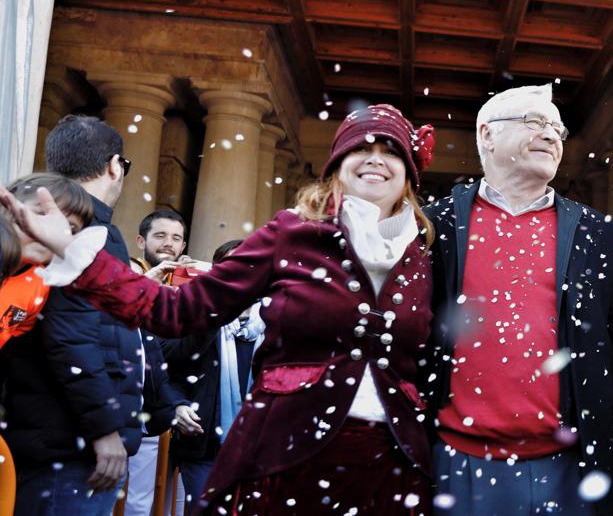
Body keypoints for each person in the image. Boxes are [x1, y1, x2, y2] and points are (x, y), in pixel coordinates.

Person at [1, 104, 439, 515]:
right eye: (362, 148)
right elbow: (177, 311)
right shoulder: (293, 232)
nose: (375, 159)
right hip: (288, 452)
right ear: (337, 166)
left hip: (395, 460)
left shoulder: (424, 254)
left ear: (409, 173)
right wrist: (70, 247)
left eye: (391, 151)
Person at [423, 84, 613, 516]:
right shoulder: (434, 225)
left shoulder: (600, 235)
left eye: (557, 127)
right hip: (455, 460)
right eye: (534, 122)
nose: (551, 135)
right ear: (487, 135)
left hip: (570, 464)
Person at [2, 116, 149, 515]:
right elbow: (73, 338)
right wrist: (103, 430)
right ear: (116, 166)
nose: (54, 238)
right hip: (64, 442)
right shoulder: (92, 237)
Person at [160, 238, 265, 510]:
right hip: (205, 444)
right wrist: (177, 405)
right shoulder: (196, 316)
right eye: (231, 268)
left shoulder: (276, 320)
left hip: (261, 447)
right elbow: (167, 368)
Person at [124, 207, 196, 516]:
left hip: (171, 405)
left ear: (183, 247)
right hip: (127, 403)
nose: (168, 243)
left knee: (151, 503)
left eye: (176, 238)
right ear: (141, 241)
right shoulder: (124, 276)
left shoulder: (192, 287)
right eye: (160, 236)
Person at [0, 174, 93, 350]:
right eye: (41, 214)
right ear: (8, 205)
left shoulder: (40, 284)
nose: (50, 230)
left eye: (70, 228)